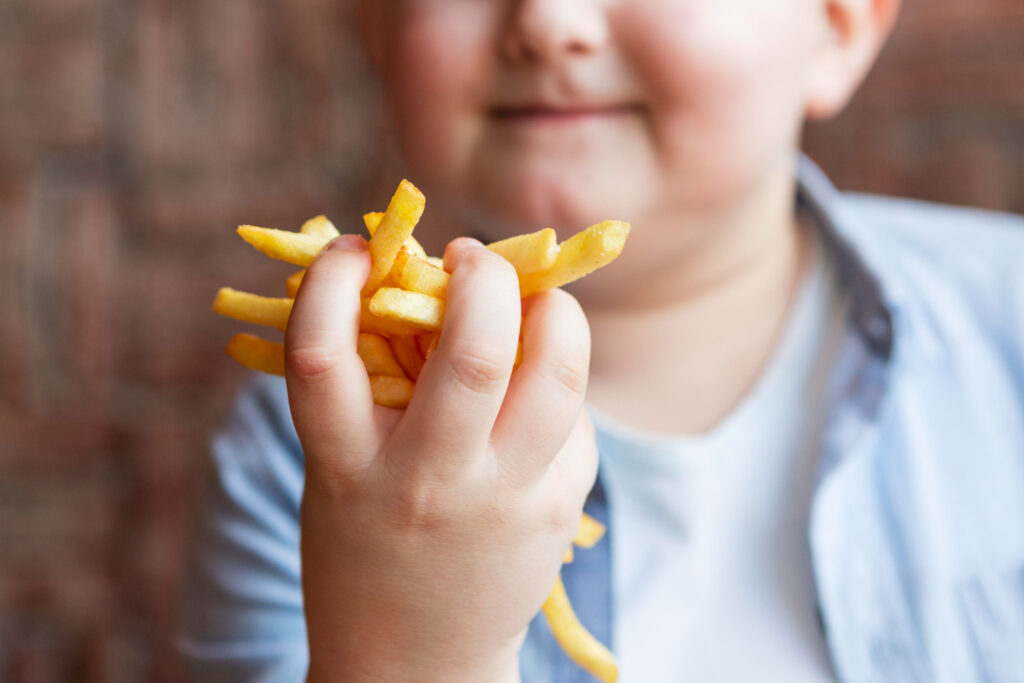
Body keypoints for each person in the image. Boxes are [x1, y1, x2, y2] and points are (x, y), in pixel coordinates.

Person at [178, 0, 1024, 680]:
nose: (549, 20)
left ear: (837, 27)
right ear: (375, 24)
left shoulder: (1006, 319)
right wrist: (409, 653)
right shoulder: (297, 455)